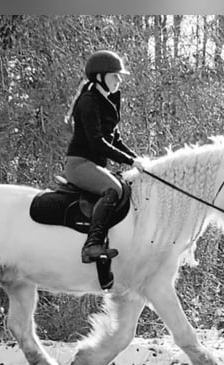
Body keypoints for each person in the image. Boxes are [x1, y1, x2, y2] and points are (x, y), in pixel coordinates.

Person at [64, 49, 148, 263]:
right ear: (100, 77)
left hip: (94, 165)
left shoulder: (107, 101)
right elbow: (97, 143)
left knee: (126, 187)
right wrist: (130, 161)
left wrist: (139, 161)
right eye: (115, 75)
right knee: (114, 190)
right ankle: (92, 245)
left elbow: (115, 141)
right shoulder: (89, 101)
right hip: (79, 164)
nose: (119, 80)